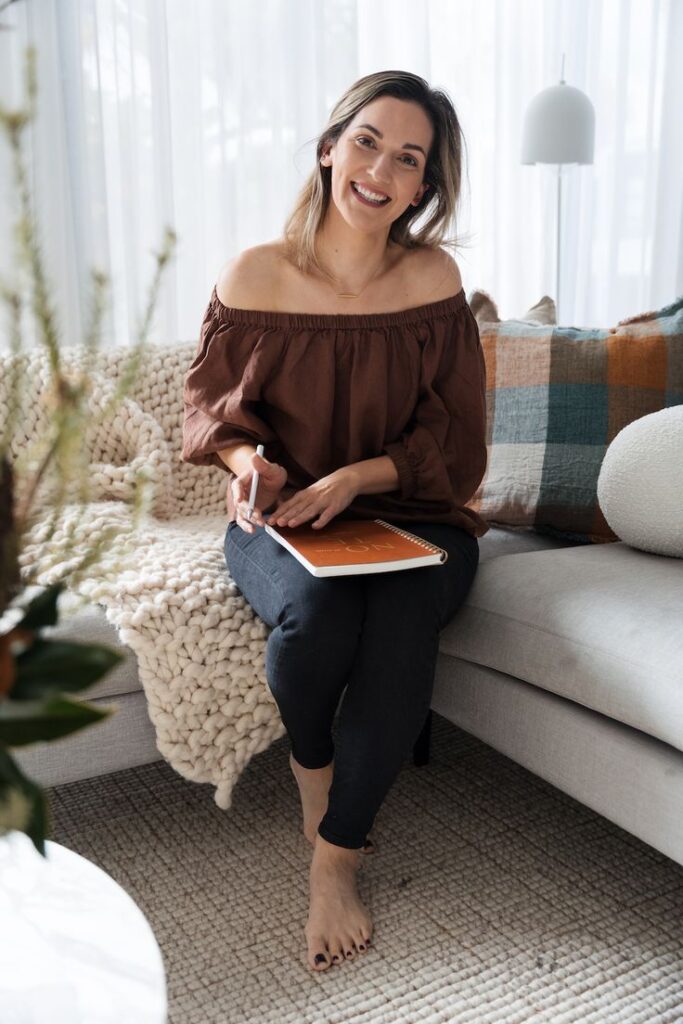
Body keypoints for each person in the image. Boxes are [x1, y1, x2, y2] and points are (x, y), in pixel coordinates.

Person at [182, 70, 490, 973]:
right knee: (316, 625)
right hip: (283, 516)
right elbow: (211, 416)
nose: (380, 170)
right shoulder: (254, 273)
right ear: (328, 148)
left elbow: (457, 434)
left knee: (396, 628)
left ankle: (335, 860)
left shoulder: (433, 278)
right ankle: (312, 768)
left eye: (409, 159)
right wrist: (252, 468)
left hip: (418, 513)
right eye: (366, 142)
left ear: (424, 186)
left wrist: (362, 474)